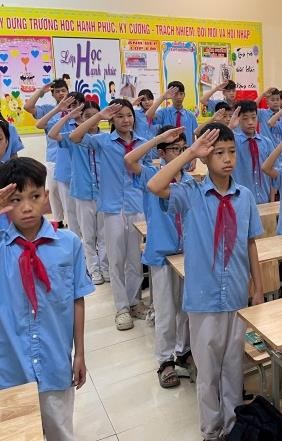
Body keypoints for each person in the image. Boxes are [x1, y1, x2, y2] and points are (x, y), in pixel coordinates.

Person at [147, 124, 264, 440]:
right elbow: (155, 185)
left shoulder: (245, 197)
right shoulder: (191, 193)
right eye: (218, 152)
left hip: (236, 294)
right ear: (204, 157)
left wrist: (258, 288)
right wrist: (190, 152)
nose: (227, 159)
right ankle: (212, 431)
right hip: (203, 297)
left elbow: (251, 242)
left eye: (231, 152)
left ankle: (233, 426)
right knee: (208, 371)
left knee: (233, 367)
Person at [0, 157, 93, 441]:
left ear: (47, 196)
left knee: (60, 431)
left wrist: (80, 353)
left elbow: (77, 299)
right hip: (10, 369)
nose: (27, 207)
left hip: (55, 363)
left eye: (35, 196)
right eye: (16, 200)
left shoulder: (69, 244)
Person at [124, 126, 195, 389]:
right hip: (163, 254)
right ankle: (165, 361)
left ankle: (183, 351)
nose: (180, 153)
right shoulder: (151, 175)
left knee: (187, 308)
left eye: (183, 149)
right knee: (166, 310)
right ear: (162, 153)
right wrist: (159, 139)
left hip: (187, 253)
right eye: (174, 149)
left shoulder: (190, 181)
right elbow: (129, 160)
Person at [69, 100, 147, 331]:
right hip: (113, 209)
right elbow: (74, 136)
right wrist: (99, 116)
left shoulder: (142, 143)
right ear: (112, 119)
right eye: (120, 116)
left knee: (135, 259)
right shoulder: (103, 141)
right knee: (116, 260)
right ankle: (121, 308)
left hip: (136, 206)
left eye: (129, 115)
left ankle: (135, 302)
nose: (126, 120)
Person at [49, 101, 109, 285]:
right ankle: (93, 269)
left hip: (104, 193)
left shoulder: (106, 138)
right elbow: (52, 134)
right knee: (88, 235)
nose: (92, 120)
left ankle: (105, 267)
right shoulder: (73, 137)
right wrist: (68, 115)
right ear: (80, 118)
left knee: (104, 235)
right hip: (83, 193)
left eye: (95, 115)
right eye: (87, 116)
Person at [36, 93, 86, 238]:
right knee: (70, 212)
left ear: (83, 105)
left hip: (86, 175)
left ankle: (89, 242)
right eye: (70, 105)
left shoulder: (89, 124)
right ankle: (76, 242)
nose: (74, 108)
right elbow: (40, 125)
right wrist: (59, 110)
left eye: (76, 104)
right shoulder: (63, 123)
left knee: (87, 212)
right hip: (66, 174)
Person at [23, 79, 71, 227]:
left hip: (70, 159)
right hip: (53, 158)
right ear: (53, 94)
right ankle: (58, 223)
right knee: (54, 194)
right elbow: (28, 107)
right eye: (57, 91)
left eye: (63, 90)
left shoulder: (75, 110)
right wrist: (40, 91)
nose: (61, 93)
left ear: (68, 91)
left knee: (68, 195)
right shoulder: (48, 110)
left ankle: (72, 224)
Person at [232, 100, 273, 203]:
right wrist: (231, 126)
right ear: (238, 119)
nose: (250, 122)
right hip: (240, 202)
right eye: (245, 118)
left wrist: (272, 201)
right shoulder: (233, 142)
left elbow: (272, 172)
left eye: (253, 117)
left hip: (265, 200)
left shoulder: (266, 142)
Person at [146, 82, 199, 151]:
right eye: (176, 94)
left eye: (181, 94)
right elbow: (148, 115)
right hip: (168, 153)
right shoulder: (163, 113)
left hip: (186, 153)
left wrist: (193, 155)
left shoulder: (191, 116)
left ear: (184, 95)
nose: (179, 97)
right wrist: (163, 97)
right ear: (170, 95)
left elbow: (193, 137)